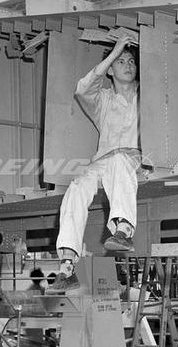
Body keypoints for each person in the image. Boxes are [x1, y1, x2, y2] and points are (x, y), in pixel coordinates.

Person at [48, 32, 140, 293]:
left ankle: (123, 230)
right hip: (102, 161)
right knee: (77, 187)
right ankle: (67, 265)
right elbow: (83, 88)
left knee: (119, 161)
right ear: (110, 70)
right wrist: (115, 51)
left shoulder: (145, 97)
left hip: (132, 158)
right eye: (121, 61)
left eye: (131, 61)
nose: (127, 65)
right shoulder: (104, 100)